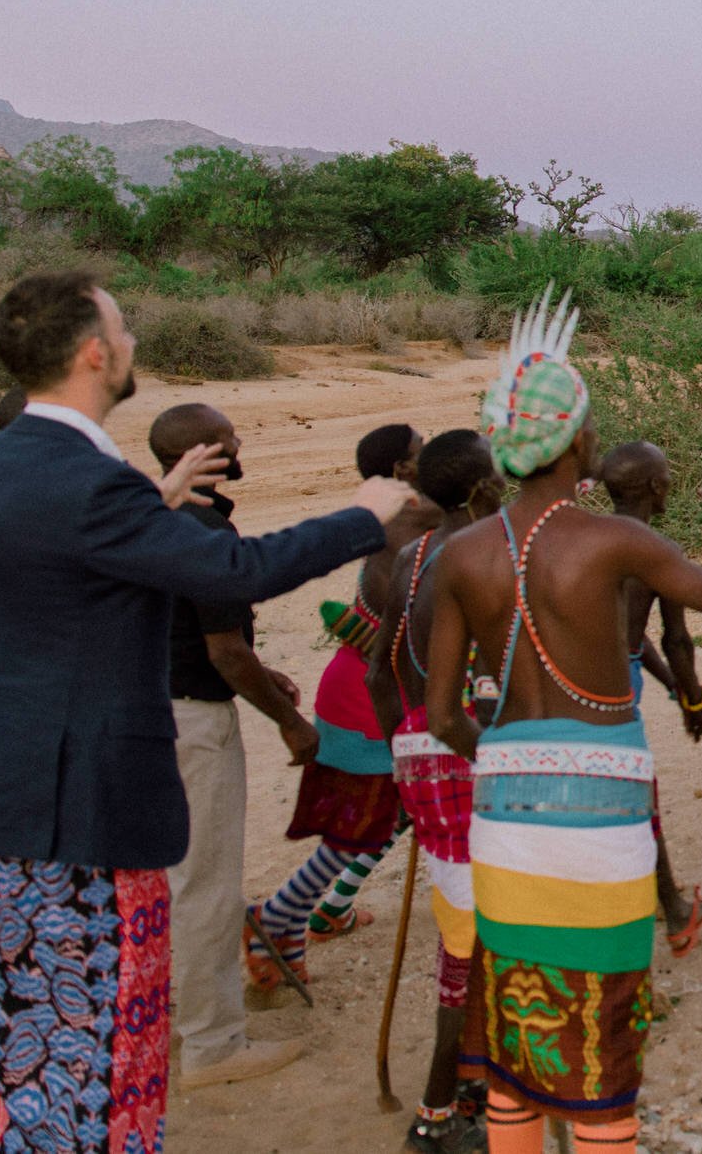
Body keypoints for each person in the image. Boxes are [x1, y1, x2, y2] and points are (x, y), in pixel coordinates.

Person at [0, 271, 424, 1154]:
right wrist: (362, 514)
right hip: (72, 804)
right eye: (124, 327)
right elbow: (234, 575)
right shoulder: (91, 483)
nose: (135, 342)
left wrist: (154, 500)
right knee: (94, 1033)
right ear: (92, 353)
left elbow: (61, 568)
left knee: (7, 1012)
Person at [422, 290, 702, 1152]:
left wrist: (507, 756)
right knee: (603, 1059)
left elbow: (440, 714)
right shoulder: (616, 540)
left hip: (504, 822)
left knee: (515, 1053)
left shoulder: (461, 554)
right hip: (604, 823)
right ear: (578, 442)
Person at [152, 402, 322, 1089]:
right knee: (205, 884)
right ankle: (212, 1044)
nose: (239, 440)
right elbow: (224, 651)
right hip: (193, 722)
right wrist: (287, 717)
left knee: (166, 880)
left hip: (148, 713)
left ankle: (164, 1016)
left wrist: (261, 668)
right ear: (205, 451)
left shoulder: (150, 515)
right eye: (228, 435)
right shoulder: (203, 528)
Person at [364, 428, 505, 1154]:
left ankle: (478, 1079)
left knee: (473, 925)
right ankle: (435, 1112)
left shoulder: (413, 558)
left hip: (424, 751)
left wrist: (407, 755)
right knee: (472, 936)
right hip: (465, 754)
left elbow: (379, 676)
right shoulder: (482, 555)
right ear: (483, 489)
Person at [250, 425, 424, 978]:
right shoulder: (407, 527)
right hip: (371, 700)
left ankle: (326, 911)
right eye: (424, 452)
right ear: (401, 469)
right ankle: (280, 913)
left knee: (398, 811)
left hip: (362, 689)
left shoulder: (402, 521)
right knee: (372, 821)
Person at [597, 440, 702, 955]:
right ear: (655, 488)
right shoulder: (655, 551)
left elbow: (631, 634)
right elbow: (675, 639)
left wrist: (678, 691)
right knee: (635, 799)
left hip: (580, 677)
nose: (670, 481)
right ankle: (673, 911)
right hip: (612, 691)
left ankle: (667, 903)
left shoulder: (589, 539)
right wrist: (692, 700)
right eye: (667, 475)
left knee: (622, 794)